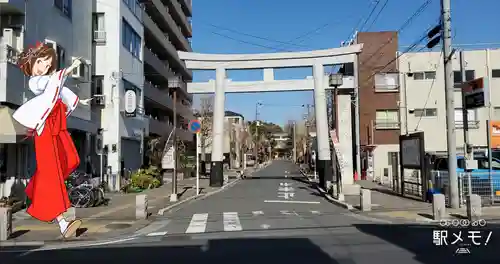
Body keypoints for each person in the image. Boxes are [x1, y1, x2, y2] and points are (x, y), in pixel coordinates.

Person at [12, 41, 93, 239]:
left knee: (71, 159)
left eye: (48, 63)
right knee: (52, 173)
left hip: (57, 125)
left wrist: (78, 101)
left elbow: (60, 91)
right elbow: (49, 85)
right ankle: (63, 223)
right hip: (45, 128)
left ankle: (37, 189)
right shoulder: (35, 81)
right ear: (32, 63)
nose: (46, 66)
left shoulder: (50, 80)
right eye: (42, 62)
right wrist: (68, 70)